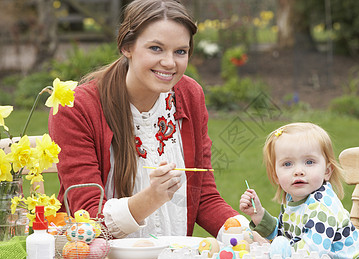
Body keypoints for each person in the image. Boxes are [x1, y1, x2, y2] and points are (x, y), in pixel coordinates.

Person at [48, 0, 250, 241]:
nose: (169, 62)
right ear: (126, 46)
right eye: (156, 48)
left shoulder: (189, 95)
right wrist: (151, 198)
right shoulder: (77, 107)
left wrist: (248, 235)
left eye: (180, 51)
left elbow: (203, 196)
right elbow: (87, 217)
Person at [239, 122, 359, 259]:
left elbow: (308, 256)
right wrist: (259, 215)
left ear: (326, 171)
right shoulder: (293, 199)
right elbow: (285, 234)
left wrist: (272, 250)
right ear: (276, 176)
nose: (299, 171)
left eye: (309, 162)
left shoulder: (323, 207)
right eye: (287, 164)